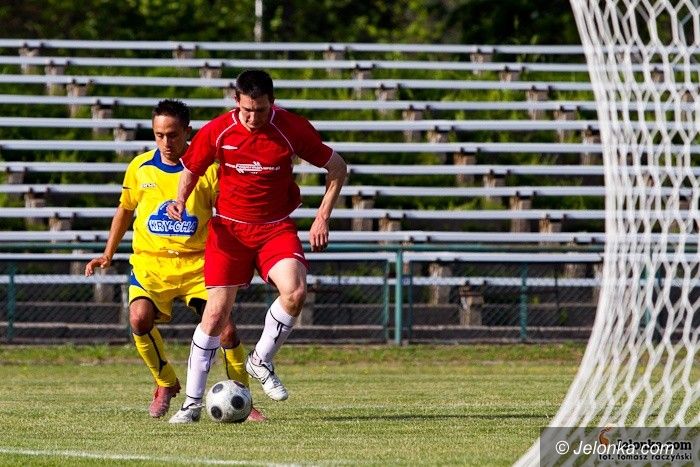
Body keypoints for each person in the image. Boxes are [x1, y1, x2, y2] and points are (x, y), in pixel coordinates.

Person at [166, 69, 347, 423]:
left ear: (272, 103)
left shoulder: (292, 128)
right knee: (215, 316)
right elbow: (192, 169)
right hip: (229, 231)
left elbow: (338, 167)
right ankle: (191, 405)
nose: (252, 118)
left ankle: (260, 360)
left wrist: (322, 217)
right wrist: (180, 200)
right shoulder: (218, 130)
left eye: (260, 110)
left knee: (295, 292)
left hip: (275, 229)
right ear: (236, 101)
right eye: (246, 110)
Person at [84, 99, 265, 422]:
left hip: (198, 265)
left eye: (173, 135)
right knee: (139, 318)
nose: (166, 142)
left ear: (187, 132)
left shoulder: (209, 169)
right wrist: (108, 253)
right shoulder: (140, 167)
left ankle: (243, 399)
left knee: (226, 331)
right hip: (152, 265)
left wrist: (241, 260)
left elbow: (229, 216)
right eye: (159, 135)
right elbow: (125, 209)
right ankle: (165, 382)